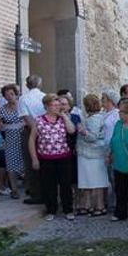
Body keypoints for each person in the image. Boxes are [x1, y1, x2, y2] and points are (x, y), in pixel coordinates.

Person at [29, 93, 76, 221]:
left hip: (63, 156)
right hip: (45, 158)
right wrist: (34, 158)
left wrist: (64, 117)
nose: (57, 107)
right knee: (49, 185)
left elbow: (71, 130)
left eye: (58, 105)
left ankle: (68, 209)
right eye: (54, 105)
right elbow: (32, 140)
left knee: (65, 184)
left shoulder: (62, 118)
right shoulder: (38, 120)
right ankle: (51, 209)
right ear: (47, 106)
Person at [76, 94, 109, 218]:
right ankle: (92, 205)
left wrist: (82, 130)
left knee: (95, 182)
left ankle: (98, 206)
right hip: (91, 154)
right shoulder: (95, 117)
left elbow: (92, 137)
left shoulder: (94, 119)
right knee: (91, 182)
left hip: (91, 154)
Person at [18, 75, 46, 204]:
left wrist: (35, 130)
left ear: (27, 85)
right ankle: (46, 191)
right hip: (47, 129)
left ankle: (36, 193)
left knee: (31, 163)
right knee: (45, 161)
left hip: (31, 131)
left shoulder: (23, 98)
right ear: (40, 84)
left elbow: (27, 118)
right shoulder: (44, 97)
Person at [0, 84, 24, 199]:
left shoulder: (23, 106)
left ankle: (30, 188)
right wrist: (5, 126)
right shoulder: (2, 109)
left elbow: (30, 120)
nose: (9, 97)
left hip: (23, 138)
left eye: (12, 94)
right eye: (6, 95)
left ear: (16, 94)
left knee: (25, 163)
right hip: (10, 139)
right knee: (11, 164)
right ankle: (14, 189)